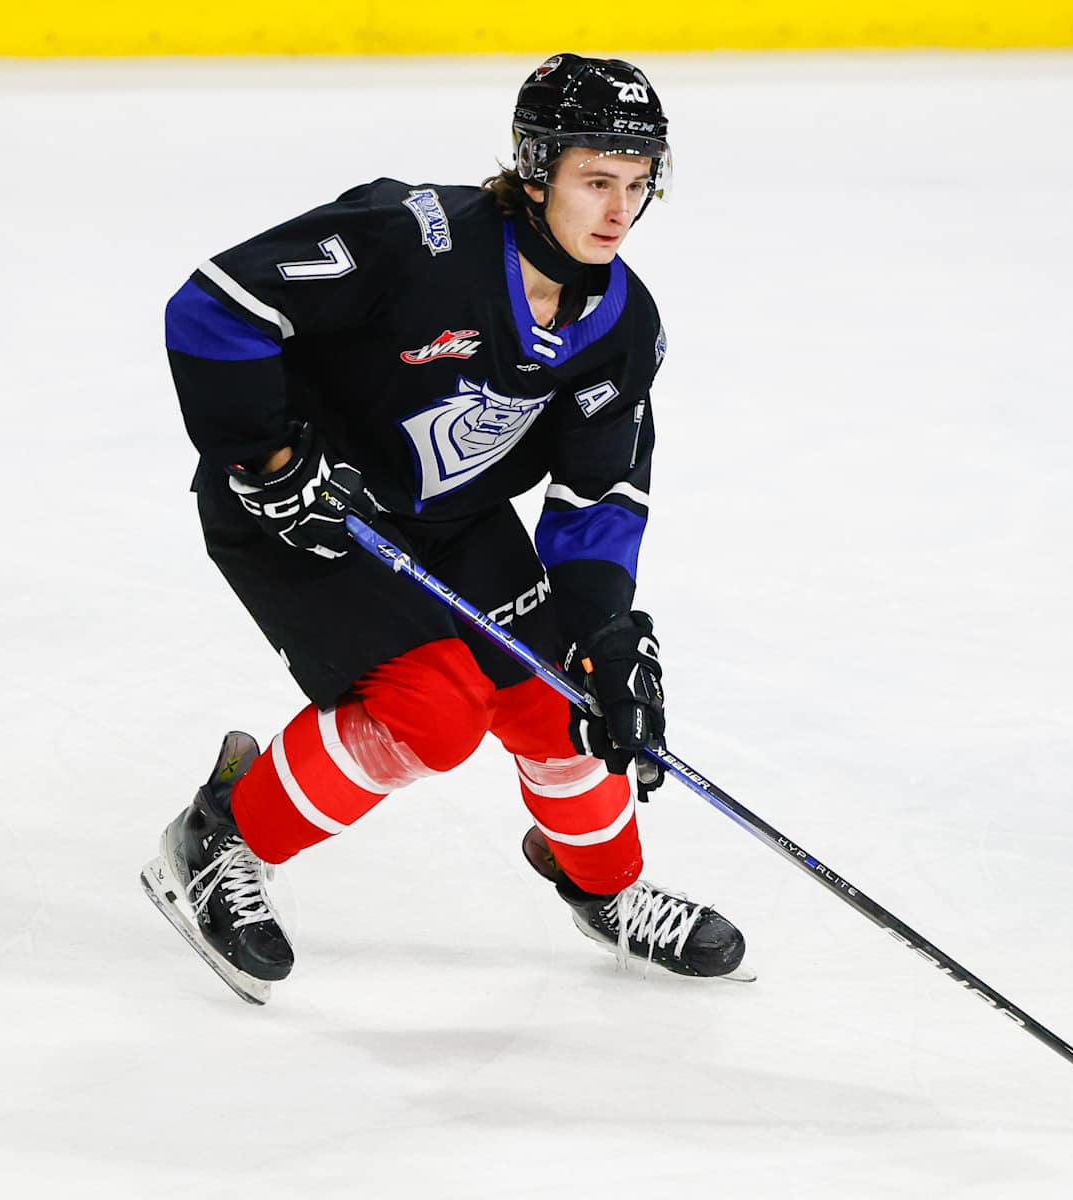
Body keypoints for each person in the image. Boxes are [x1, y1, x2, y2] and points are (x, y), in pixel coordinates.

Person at [144, 53, 749, 1004]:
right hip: (308, 515)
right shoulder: (413, 240)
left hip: (450, 519)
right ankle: (220, 834)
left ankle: (601, 885)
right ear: (538, 168)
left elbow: (598, 493)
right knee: (433, 711)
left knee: (567, 700)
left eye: (638, 185)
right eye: (597, 180)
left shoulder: (623, 323)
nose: (619, 211)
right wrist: (267, 459)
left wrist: (603, 625)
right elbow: (218, 308)